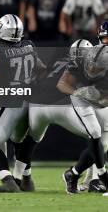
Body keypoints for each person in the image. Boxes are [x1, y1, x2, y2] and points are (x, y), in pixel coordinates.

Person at [27, 39, 105, 193]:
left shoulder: (88, 59)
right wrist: (81, 93)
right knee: (99, 138)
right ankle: (94, 178)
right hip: (78, 103)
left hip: (43, 104)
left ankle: (82, 176)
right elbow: (63, 84)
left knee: (98, 139)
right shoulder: (81, 63)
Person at [0, 15, 44, 193]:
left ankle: (8, 181)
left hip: (10, 103)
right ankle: (26, 180)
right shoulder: (29, 46)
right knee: (19, 140)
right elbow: (41, 68)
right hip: (29, 103)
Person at [59, 44, 108, 194]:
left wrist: (100, 97)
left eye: (98, 68)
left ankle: (72, 174)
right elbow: (62, 84)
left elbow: (105, 101)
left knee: (104, 143)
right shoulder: (79, 60)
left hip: (101, 98)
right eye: (90, 66)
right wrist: (78, 92)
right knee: (94, 131)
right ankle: (103, 176)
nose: (92, 70)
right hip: (80, 96)